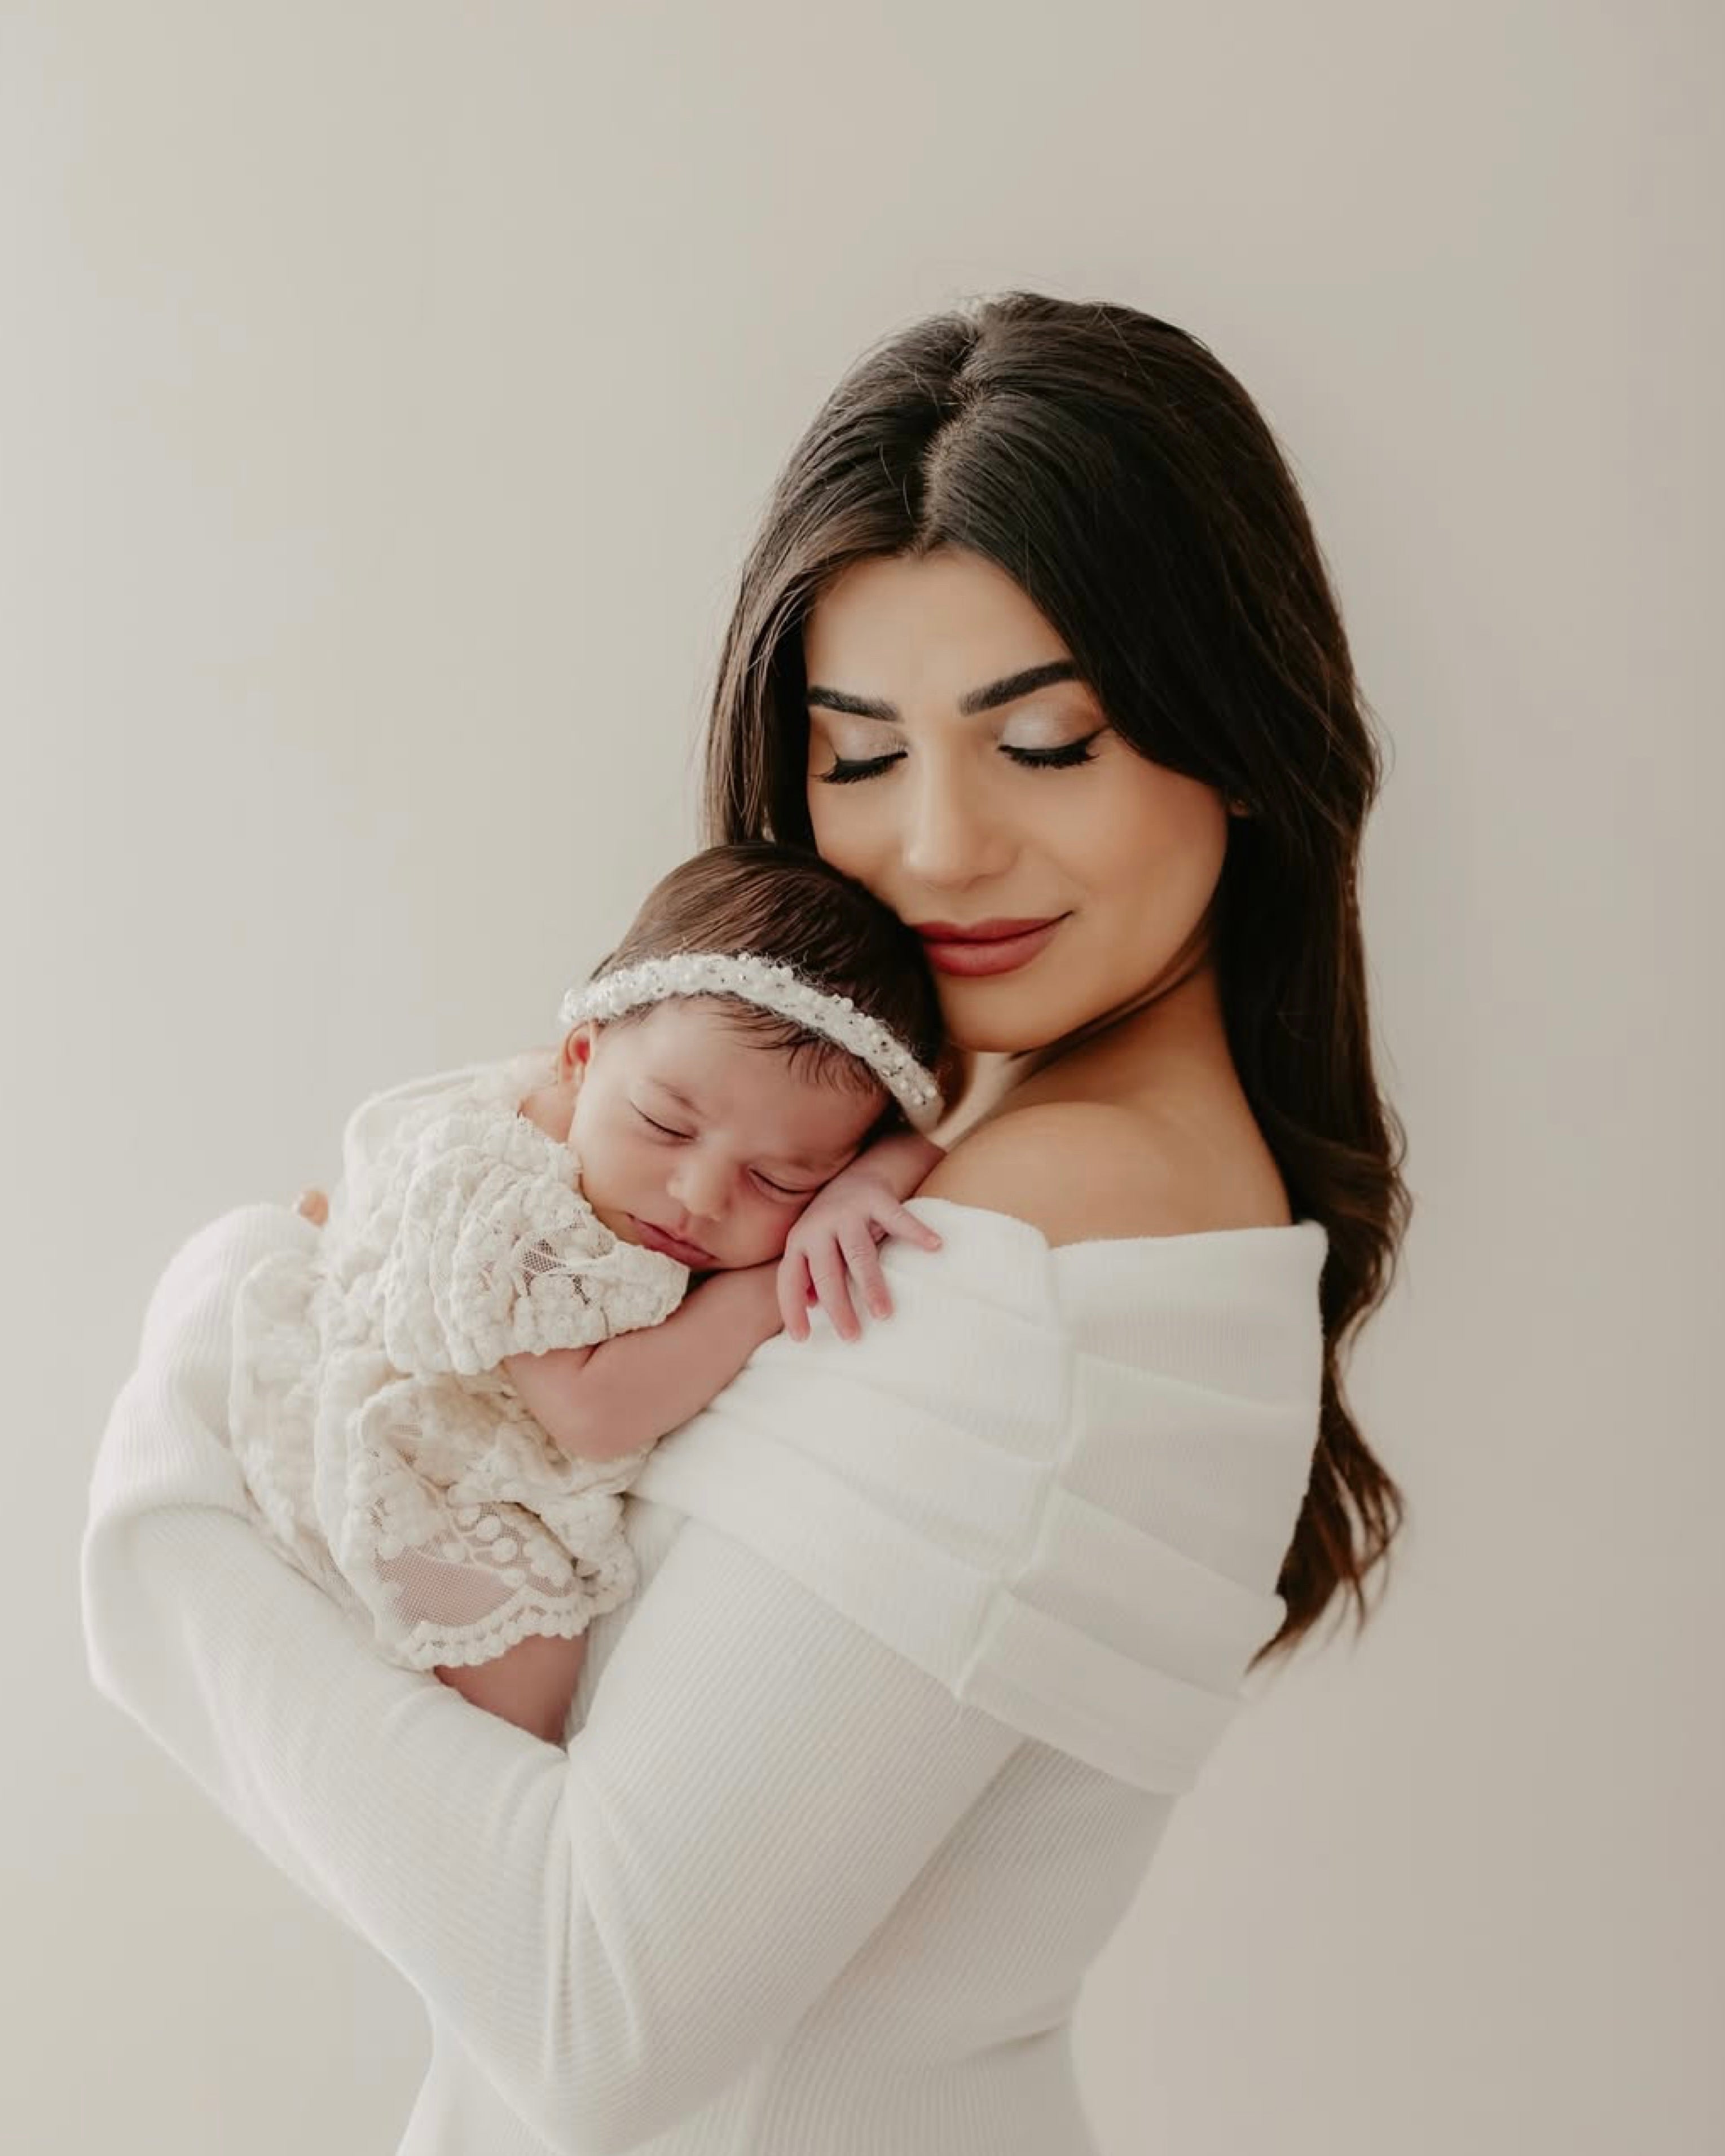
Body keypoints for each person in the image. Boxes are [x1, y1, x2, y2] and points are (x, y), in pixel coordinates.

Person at [82, 291, 1410, 2155]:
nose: (936, 848)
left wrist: (174, 1477)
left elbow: (587, 2003)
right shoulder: (959, 1160)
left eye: (1047, 743)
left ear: (1244, 733)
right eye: (858, 757)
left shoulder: (1054, 1238)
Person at [226, 841, 949, 1743]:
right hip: (413, 1459)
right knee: (526, 1687)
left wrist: (862, 1184)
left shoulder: (665, 1099)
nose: (701, 1195)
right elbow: (591, 1411)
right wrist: (767, 1284)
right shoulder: (507, 1198)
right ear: (579, 1057)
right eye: (664, 1126)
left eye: (781, 1178)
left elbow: (931, 1139)